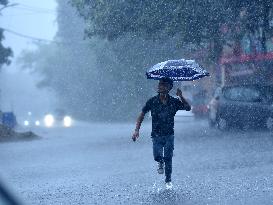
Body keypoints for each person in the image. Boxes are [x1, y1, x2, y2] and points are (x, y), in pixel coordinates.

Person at [132, 77, 191, 188]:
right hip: (156, 135)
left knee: (168, 158)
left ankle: (168, 180)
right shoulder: (152, 101)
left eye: (163, 84)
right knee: (157, 156)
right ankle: (160, 162)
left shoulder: (174, 101)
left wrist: (181, 96)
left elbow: (188, 108)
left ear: (169, 87)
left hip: (169, 135)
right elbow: (142, 114)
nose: (160, 86)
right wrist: (136, 130)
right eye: (159, 84)